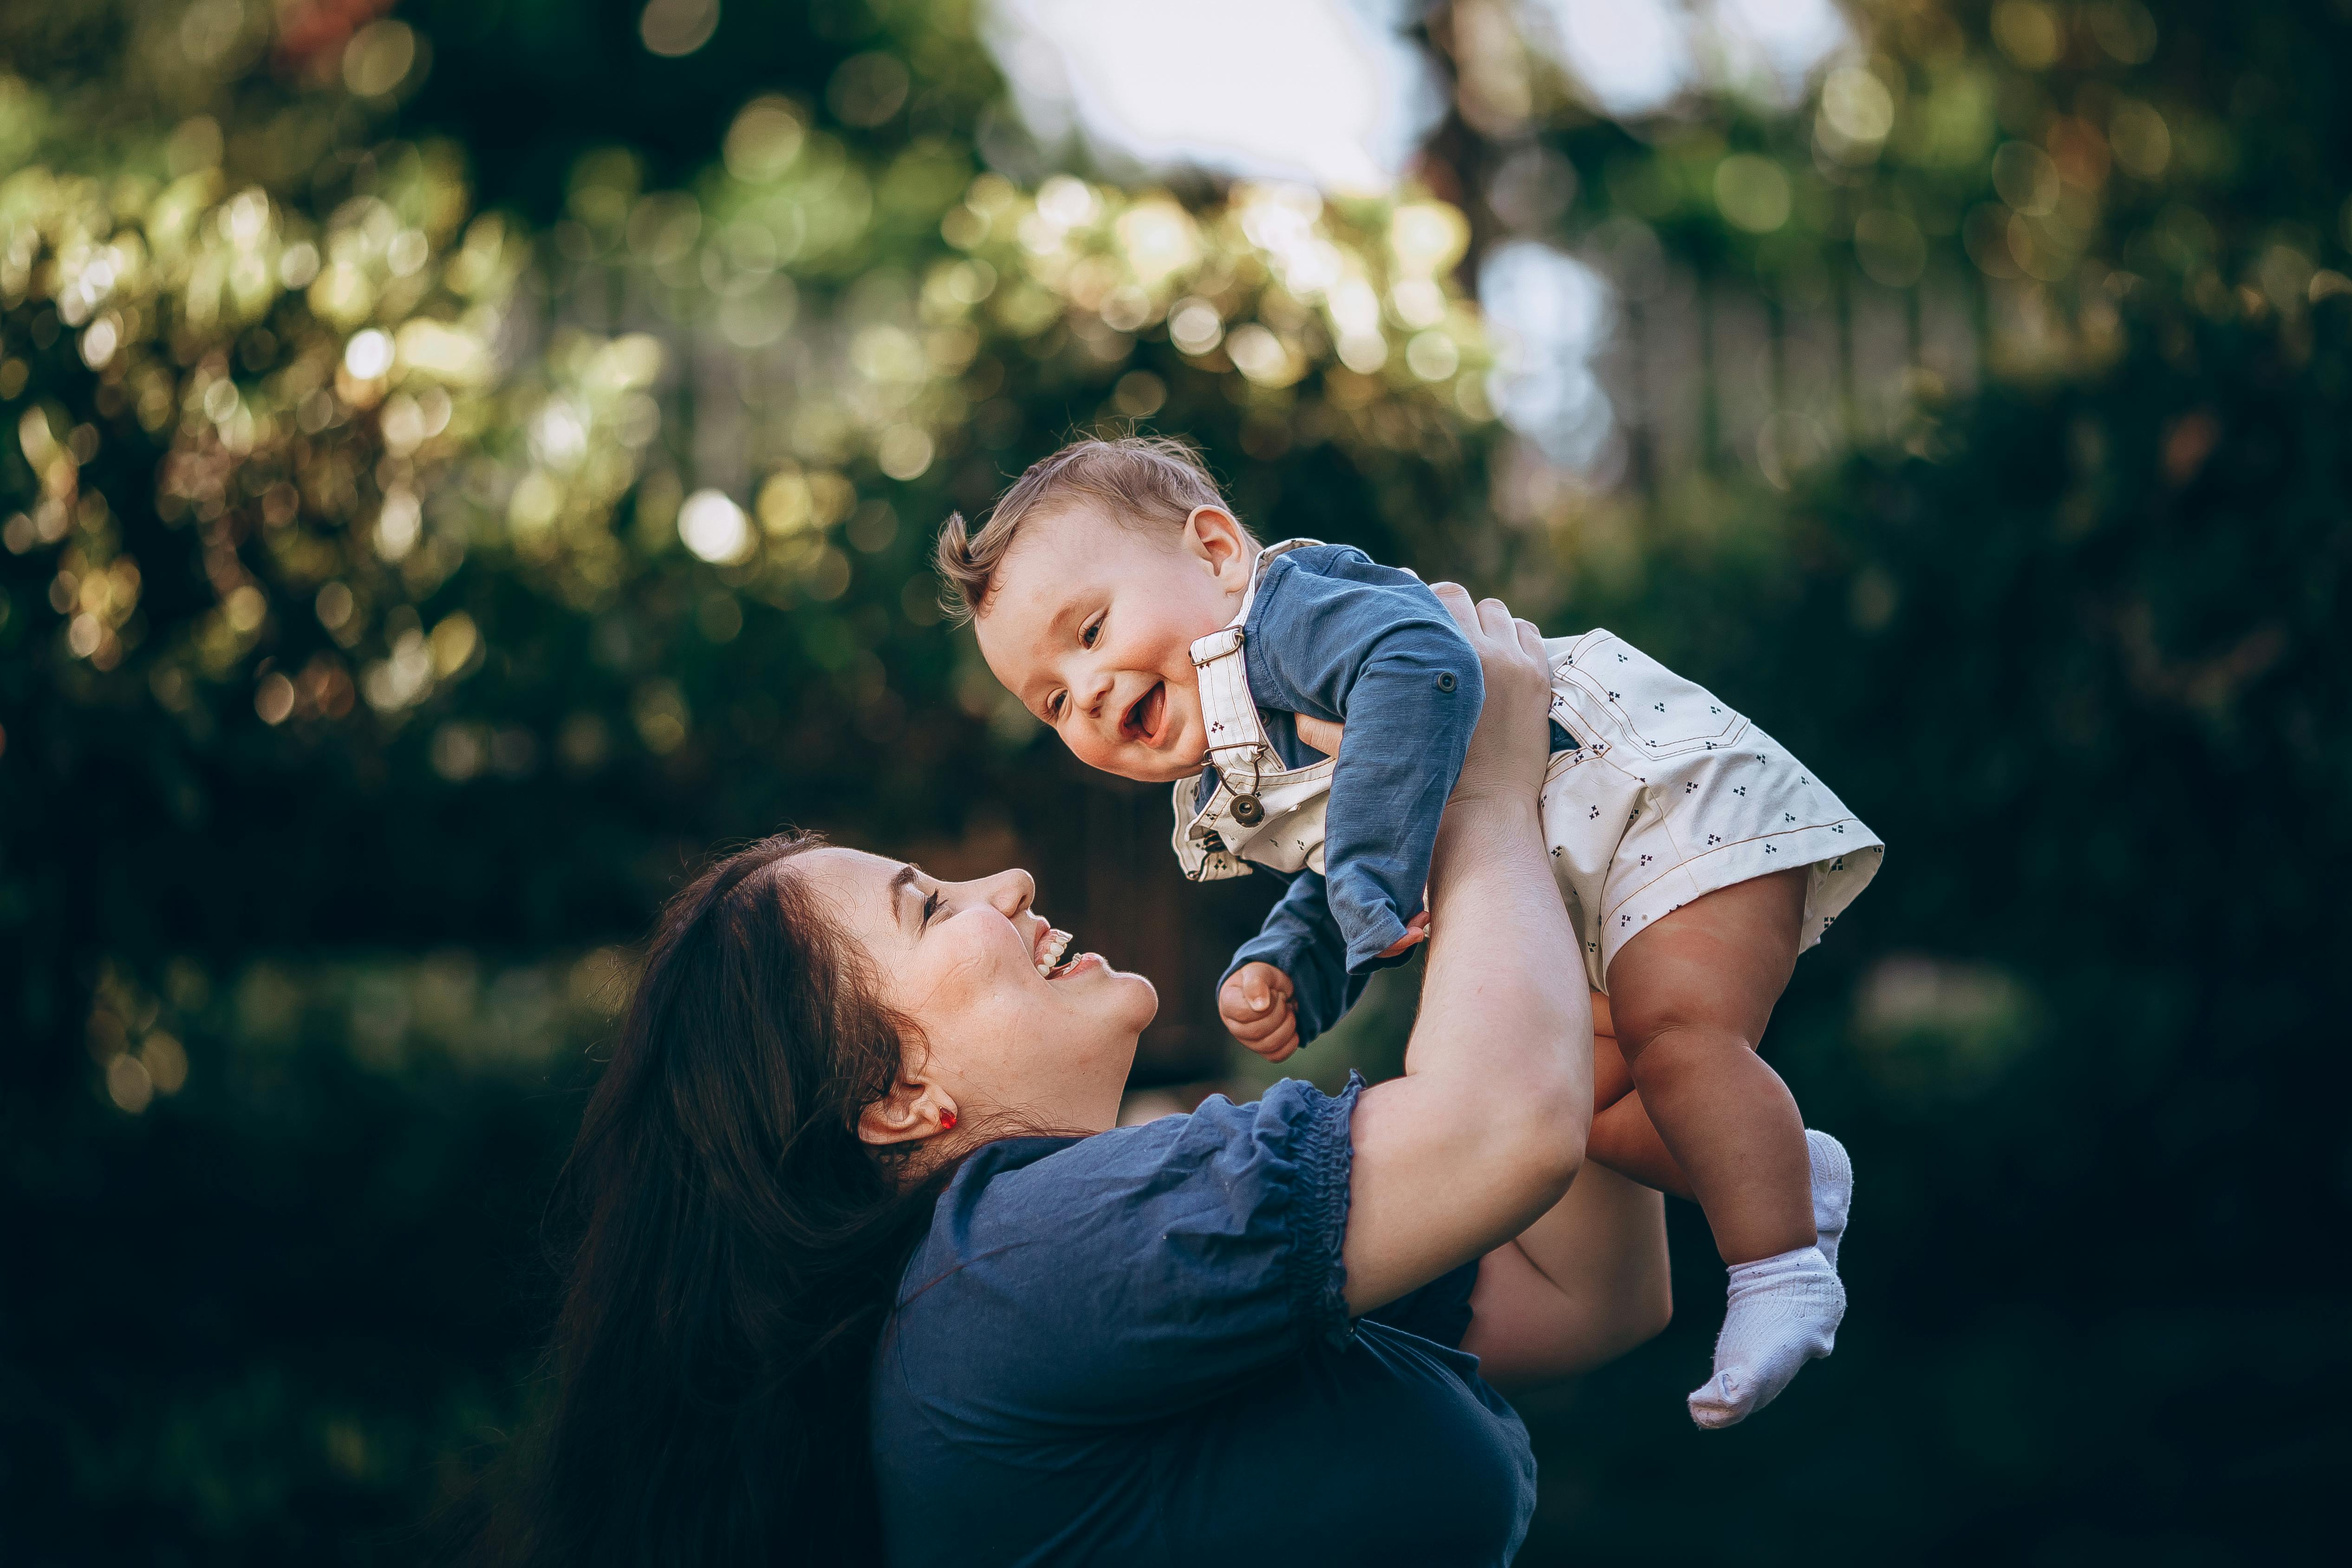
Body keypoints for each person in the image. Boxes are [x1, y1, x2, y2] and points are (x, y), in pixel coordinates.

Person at [502, 588, 1669, 1567]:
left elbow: (1580, 1297)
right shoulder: (1010, 1267)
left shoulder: (1070, 1261)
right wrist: (1479, 791)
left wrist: (1557, 907)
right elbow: (1503, 1130)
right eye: (929, 905)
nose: (1003, 880)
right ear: (895, 1098)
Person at [940, 435, 1872, 1426]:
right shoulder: (1253, 742)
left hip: (1658, 801)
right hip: (1588, 863)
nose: (1081, 694)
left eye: (1088, 634)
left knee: (1677, 1037)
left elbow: (1422, 662)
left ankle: (1779, 1273)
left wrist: (1369, 882)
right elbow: (1361, 843)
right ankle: (1777, 1166)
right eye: (1050, 702)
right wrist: (1294, 967)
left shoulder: (1285, 619)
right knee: (1595, 1105)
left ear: (1214, 553)